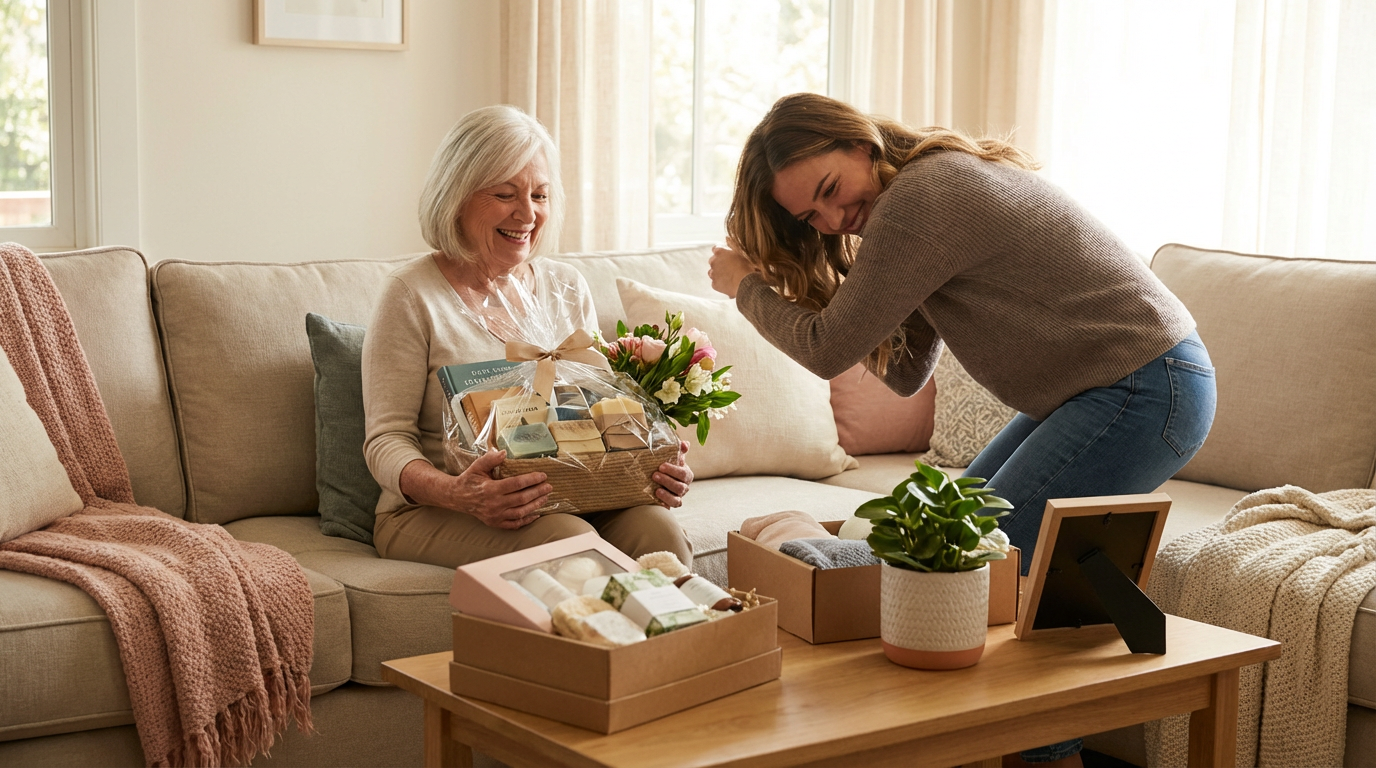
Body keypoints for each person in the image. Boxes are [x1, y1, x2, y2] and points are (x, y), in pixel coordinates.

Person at [707, 93, 1215, 767]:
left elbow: (828, 352)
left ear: (860, 143)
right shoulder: (916, 196)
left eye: (830, 192)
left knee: (973, 566)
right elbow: (908, 374)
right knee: (936, 542)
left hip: (1143, 385)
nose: (831, 220)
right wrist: (857, 293)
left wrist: (748, 289)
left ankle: (1048, 750)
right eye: (811, 217)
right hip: (1105, 388)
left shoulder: (923, 197)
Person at [362, 105, 694, 570]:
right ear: (455, 195)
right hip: (432, 510)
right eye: (504, 194)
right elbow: (386, 440)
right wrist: (461, 494)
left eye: (540, 195)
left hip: (574, 494)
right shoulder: (411, 294)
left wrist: (650, 457)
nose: (527, 213)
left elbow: (595, 408)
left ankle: (683, 643)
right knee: (571, 543)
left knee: (660, 534)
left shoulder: (566, 287)